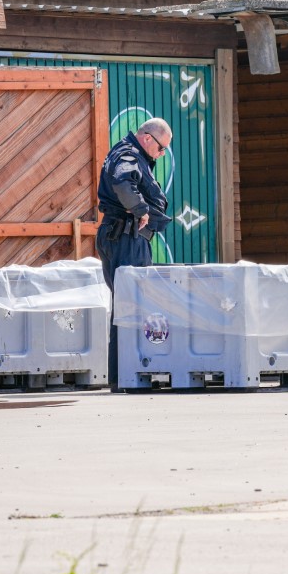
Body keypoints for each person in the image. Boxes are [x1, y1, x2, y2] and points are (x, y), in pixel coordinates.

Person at [97, 117, 173, 386]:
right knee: (131, 306)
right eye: (161, 148)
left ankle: (125, 374)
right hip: (125, 237)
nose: (161, 154)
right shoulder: (128, 154)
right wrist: (140, 210)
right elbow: (122, 182)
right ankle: (126, 375)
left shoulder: (129, 153)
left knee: (129, 306)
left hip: (124, 236)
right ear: (147, 138)